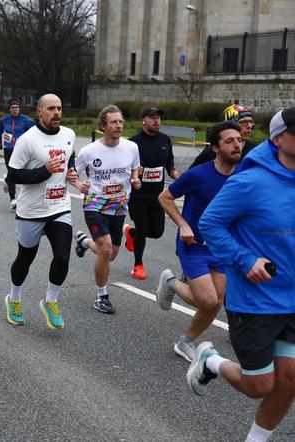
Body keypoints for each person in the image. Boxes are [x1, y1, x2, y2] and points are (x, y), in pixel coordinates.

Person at [187, 108, 295, 442]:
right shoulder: (250, 181)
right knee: (259, 385)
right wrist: (244, 258)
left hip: (291, 298)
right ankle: (211, 361)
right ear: (279, 139)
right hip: (255, 300)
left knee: (289, 379)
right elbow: (210, 223)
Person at [155, 121, 242, 362]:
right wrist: (183, 224)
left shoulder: (245, 174)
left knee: (217, 302)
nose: (237, 144)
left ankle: (185, 342)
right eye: (229, 141)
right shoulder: (199, 174)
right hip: (194, 245)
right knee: (208, 300)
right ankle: (171, 283)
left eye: (239, 140)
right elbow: (165, 197)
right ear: (215, 148)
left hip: (222, 247)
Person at [4, 94, 77, 329]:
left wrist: (72, 172)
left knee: (63, 256)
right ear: (39, 112)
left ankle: (50, 300)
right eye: (51, 109)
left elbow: (69, 157)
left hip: (59, 206)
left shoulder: (69, 134)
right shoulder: (27, 140)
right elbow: (13, 175)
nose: (56, 112)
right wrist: (44, 171)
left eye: (59, 108)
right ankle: (14, 298)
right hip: (31, 210)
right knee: (26, 258)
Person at [73, 104, 141, 314]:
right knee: (105, 249)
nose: (118, 125)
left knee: (110, 254)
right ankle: (101, 296)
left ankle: (84, 242)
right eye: (113, 122)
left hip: (119, 206)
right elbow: (72, 173)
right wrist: (78, 185)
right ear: (103, 126)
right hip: (95, 204)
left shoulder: (131, 147)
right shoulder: (89, 152)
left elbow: (135, 168)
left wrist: (136, 179)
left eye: (120, 121)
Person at [122, 107, 179, 279]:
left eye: (159, 118)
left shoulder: (164, 140)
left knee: (157, 232)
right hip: (137, 195)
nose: (156, 121)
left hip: (157, 196)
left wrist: (179, 177)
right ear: (143, 120)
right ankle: (138, 265)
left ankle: (131, 234)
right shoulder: (133, 143)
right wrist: (132, 172)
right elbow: (121, 169)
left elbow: (170, 165)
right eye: (152, 117)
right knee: (143, 228)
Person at [0, 98, 35, 209]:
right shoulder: (5, 119)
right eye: (12, 108)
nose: (15, 110)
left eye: (17, 108)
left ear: (20, 109)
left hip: (22, 151)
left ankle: (7, 180)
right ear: (9, 109)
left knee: (24, 173)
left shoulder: (26, 121)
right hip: (8, 150)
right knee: (12, 173)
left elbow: (34, 133)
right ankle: (13, 199)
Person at [190, 104, 257, 169]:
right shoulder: (214, 151)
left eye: (250, 122)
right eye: (244, 122)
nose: (249, 126)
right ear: (230, 124)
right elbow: (190, 175)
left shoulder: (254, 151)